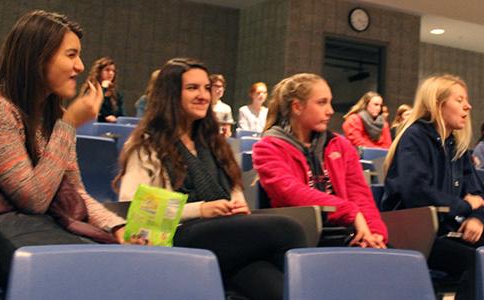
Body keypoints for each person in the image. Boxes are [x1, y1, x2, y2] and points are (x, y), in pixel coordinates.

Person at [0, 10, 146, 285]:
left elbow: (73, 191)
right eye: (71, 55)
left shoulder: (51, 114)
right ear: (37, 57)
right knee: (105, 273)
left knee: (127, 265)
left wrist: (116, 226)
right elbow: (33, 199)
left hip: (33, 227)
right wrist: (69, 124)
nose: (79, 66)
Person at [115, 58, 307, 300]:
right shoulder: (146, 143)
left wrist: (237, 205)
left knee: (277, 291)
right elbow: (137, 207)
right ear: (170, 94)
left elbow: (234, 190)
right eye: (192, 88)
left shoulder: (214, 143)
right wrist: (202, 209)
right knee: (287, 229)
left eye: (206, 88)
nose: (203, 95)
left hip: (223, 237)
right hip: (175, 235)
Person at [382, 74, 484, 300]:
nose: (468, 106)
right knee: (479, 263)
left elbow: (479, 194)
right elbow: (417, 193)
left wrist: (477, 217)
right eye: (459, 100)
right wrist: (463, 206)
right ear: (438, 105)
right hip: (412, 233)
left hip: (445, 232)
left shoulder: (456, 146)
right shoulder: (415, 137)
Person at [252, 73, 387, 249]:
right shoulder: (268, 148)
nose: (330, 110)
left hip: (348, 232)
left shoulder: (341, 145)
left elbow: (360, 196)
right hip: (300, 237)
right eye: (322, 103)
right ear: (297, 107)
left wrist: (375, 234)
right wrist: (350, 212)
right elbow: (291, 194)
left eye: (329, 102)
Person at [83, 57, 124, 122]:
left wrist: (116, 119)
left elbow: (122, 115)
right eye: (107, 70)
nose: (111, 73)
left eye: (113, 71)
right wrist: (103, 88)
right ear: (99, 72)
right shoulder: (91, 90)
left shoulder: (117, 94)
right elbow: (96, 110)